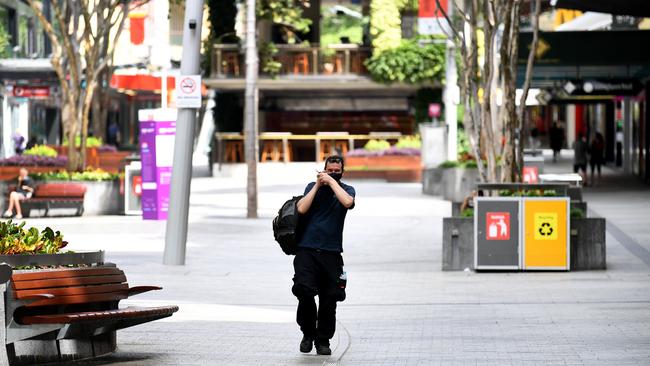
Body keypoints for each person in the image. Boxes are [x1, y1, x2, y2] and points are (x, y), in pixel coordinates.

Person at [293, 155, 355, 356]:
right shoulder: (312, 186)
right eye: (330, 171)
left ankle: (323, 340)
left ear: (342, 171)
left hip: (332, 252)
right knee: (304, 291)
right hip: (306, 250)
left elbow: (347, 202)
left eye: (337, 171)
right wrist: (318, 185)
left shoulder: (347, 190)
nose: (334, 174)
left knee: (329, 298)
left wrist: (332, 182)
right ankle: (308, 334)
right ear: (323, 169)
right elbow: (301, 208)